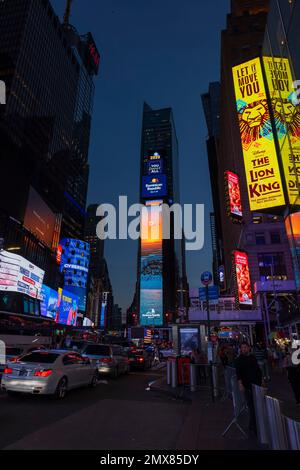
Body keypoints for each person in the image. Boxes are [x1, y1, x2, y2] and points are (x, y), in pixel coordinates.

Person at [235, 342, 262, 435]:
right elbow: (238, 374)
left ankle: (252, 425)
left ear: (249, 348)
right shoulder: (239, 360)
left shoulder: (253, 358)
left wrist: (262, 381)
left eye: (245, 347)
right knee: (252, 406)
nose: (244, 349)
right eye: (242, 347)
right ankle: (255, 427)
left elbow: (258, 370)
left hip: (257, 385)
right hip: (247, 386)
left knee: (256, 405)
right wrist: (240, 384)